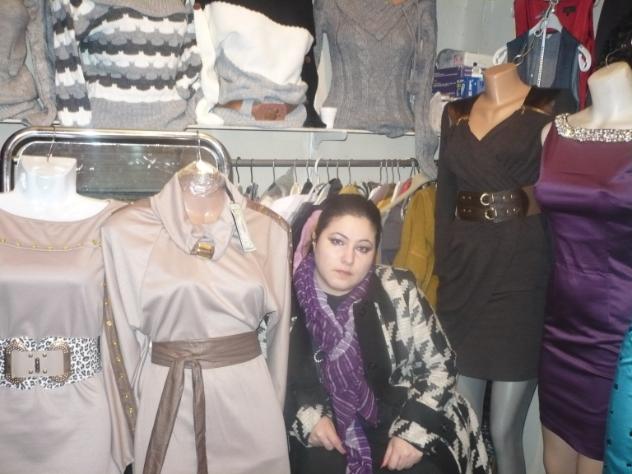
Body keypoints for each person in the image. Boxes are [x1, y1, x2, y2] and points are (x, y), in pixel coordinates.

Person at [285, 194, 490, 474]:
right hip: (328, 430)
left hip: (408, 417)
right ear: (315, 238)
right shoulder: (285, 302)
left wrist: (413, 432)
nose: (348, 259)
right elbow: (271, 380)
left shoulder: (398, 290)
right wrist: (307, 419)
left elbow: (440, 366)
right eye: (337, 241)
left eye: (363, 248)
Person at [434, 63, 572, 474]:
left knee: (504, 430)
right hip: (463, 274)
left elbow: (565, 196)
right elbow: (444, 197)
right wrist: (444, 266)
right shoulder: (455, 112)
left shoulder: (552, 104)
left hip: (521, 273)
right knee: (465, 425)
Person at [535, 60, 632, 474]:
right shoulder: (552, 132)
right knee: (554, 457)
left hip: (617, 332)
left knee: (599, 458)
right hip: (560, 325)